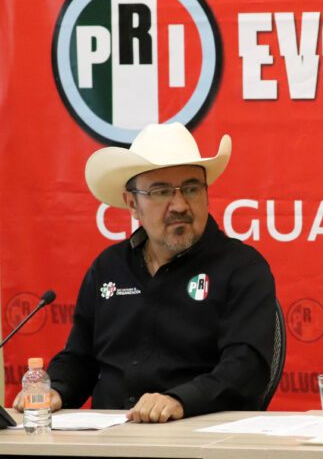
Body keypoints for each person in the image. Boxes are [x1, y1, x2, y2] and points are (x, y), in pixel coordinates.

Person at [13, 122, 277, 423]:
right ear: (132, 203)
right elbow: (79, 358)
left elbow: (246, 370)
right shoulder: (108, 267)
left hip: (197, 434)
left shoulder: (242, 267)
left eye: (191, 188)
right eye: (161, 191)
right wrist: (55, 389)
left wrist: (180, 400)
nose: (180, 205)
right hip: (109, 436)